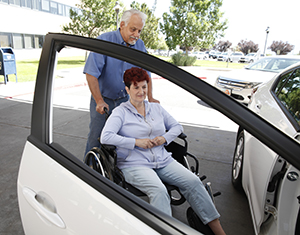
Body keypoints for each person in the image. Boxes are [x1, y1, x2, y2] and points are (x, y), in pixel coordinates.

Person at [100, 67, 226, 235]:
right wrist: (135, 142)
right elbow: (106, 137)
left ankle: (219, 232)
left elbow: (176, 127)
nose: (141, 91)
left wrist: (164, 138)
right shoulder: (120, 113)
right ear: (127, 89)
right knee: (159, 191)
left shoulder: (156, 108)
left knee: (193, 182)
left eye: (144, 87)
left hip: (162, 159)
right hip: (135, 163)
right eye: (136, 87)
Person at [83, 9, 159, 156]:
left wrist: (150, 97)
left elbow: (146, 74)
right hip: (103, 100)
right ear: (122, 24)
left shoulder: (140, 45)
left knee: (124, 138)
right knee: (97, 137)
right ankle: (89, 168)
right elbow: (91, 74)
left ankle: (114, 171)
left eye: (139, 31)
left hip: (125, 100)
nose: (136, 35)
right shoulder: (104, 41)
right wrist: (99, 101)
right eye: (133, 29)